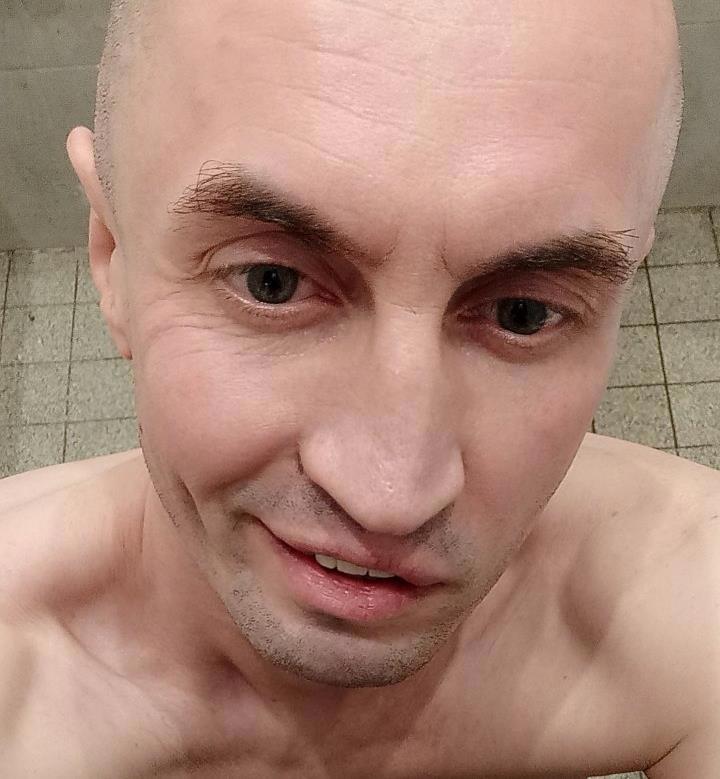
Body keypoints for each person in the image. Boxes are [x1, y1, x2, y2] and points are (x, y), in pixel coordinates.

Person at [1, 0, 717, 776]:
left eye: (524, 313)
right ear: (111, 253)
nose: (391, 495)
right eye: (271, 283)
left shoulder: (688, 602)